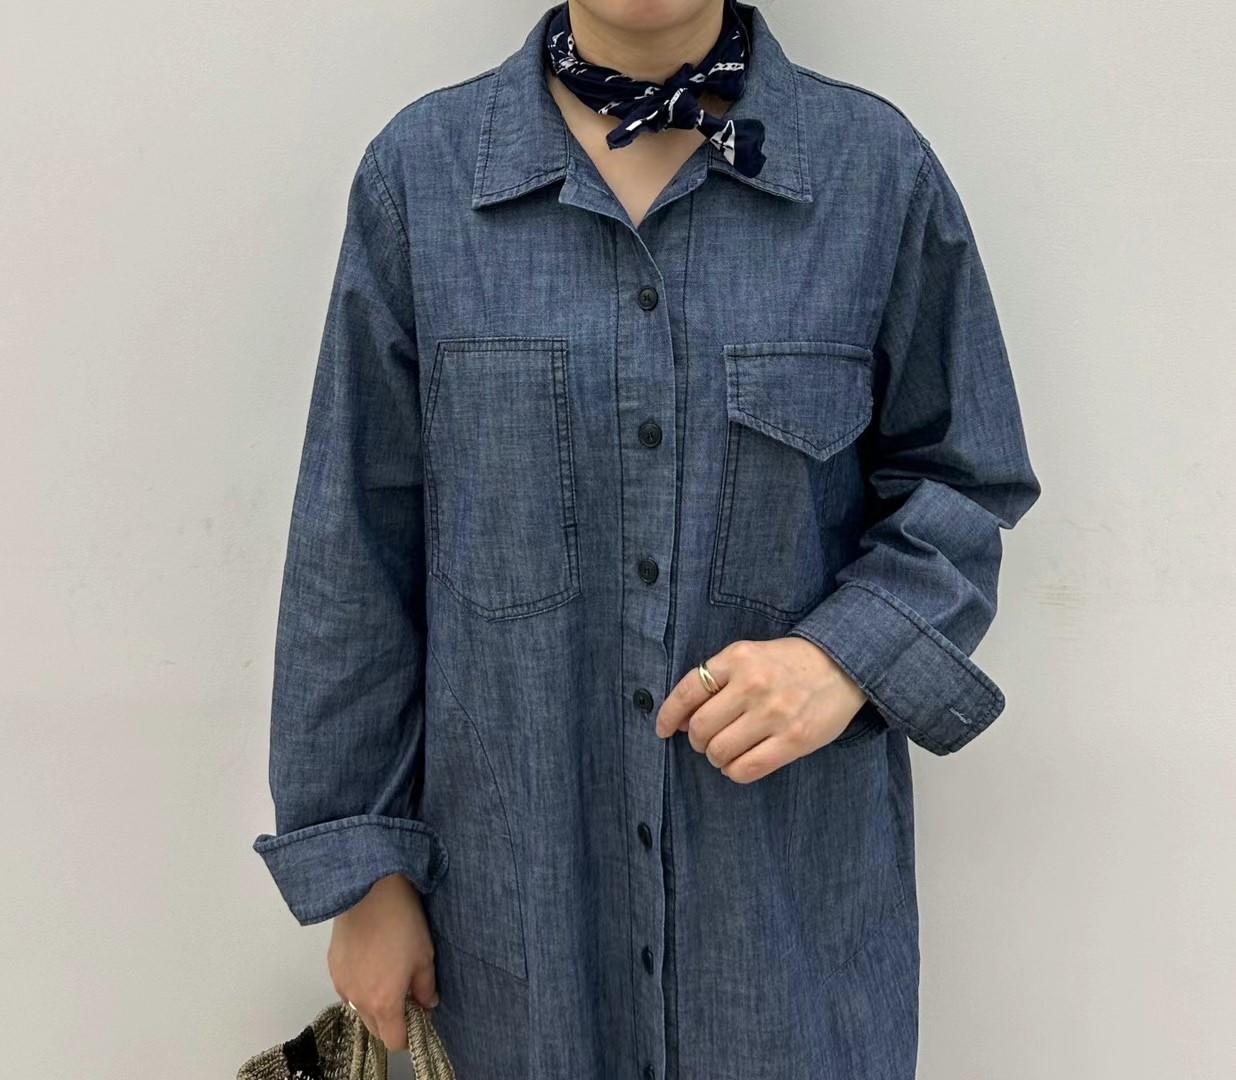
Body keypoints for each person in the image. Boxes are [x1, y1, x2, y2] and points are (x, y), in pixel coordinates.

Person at [252, 1, 1042, 1077]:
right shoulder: (422, 180)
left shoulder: (873, 175)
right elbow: (354, 544)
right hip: (512, 929)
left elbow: (963, 476)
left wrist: (843, 657)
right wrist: (362, 871)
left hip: (785, 926)